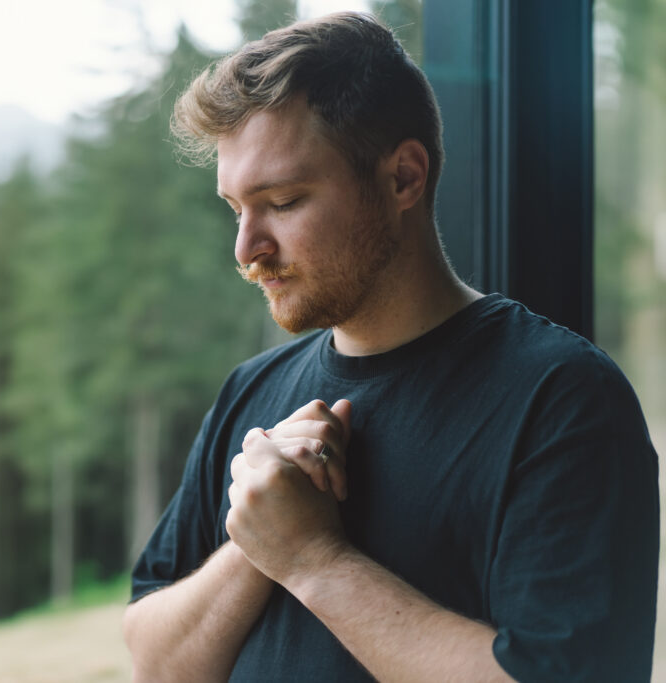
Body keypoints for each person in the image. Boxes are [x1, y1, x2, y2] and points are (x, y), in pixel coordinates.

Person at [122, 12, 659, 683]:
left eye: (283, 201)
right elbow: (153, 660)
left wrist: (314, 559)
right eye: (237, 209)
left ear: (404, 177)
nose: (246, 250)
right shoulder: (250, 395)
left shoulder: (563, 401)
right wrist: (250, 542)